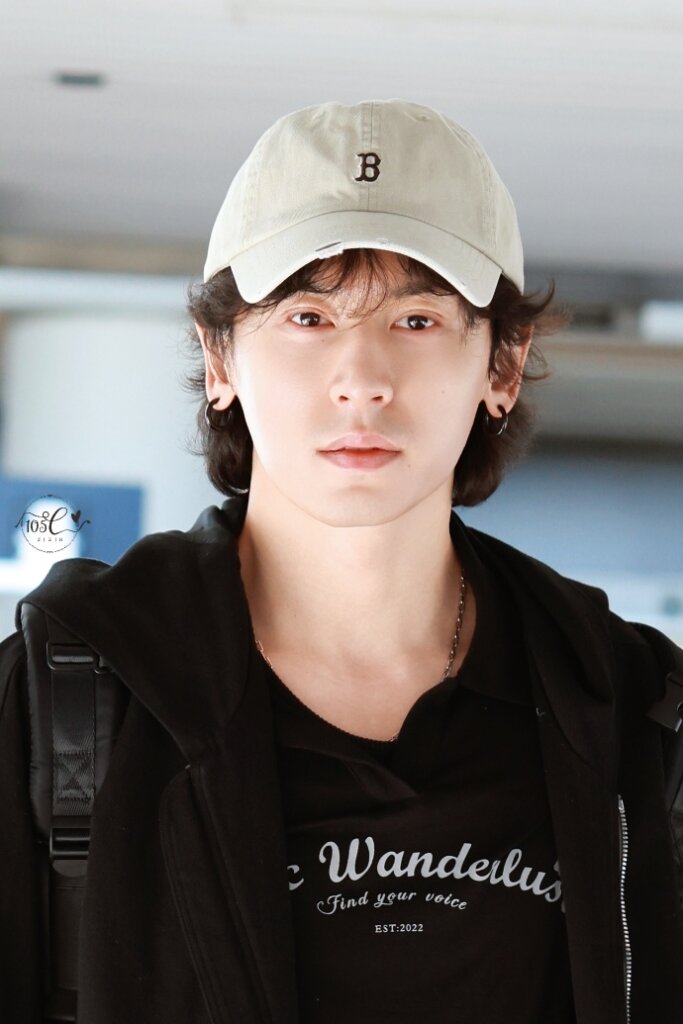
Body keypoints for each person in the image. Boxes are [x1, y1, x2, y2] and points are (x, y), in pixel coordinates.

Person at [1, 99, 682, 1024]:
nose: (361, 379)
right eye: (308, 315)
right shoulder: (65, 699)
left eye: (416, 319)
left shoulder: (635, 710)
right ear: (220, 358)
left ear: (501, 366)